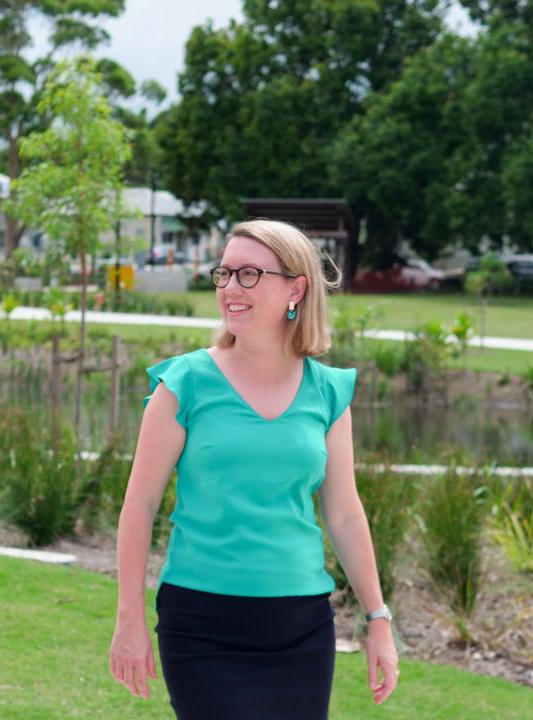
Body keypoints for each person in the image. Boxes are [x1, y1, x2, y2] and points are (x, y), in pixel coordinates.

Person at [108, 219, 400, 718]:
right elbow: (139, 505)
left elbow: (345, 514)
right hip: (200, 624)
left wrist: (378, 620)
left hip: (301, 626)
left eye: (249, 275)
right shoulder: (184, 384)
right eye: (224, 274)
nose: (229, 289)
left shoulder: (329, 392)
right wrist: (128, 618)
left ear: (296, 288)